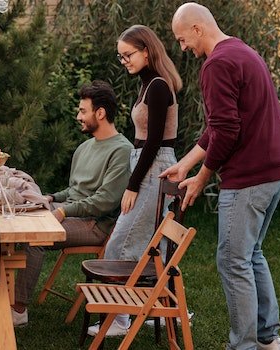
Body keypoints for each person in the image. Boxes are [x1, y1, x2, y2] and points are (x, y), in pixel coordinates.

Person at [165, 3, 280, 350]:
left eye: (182, 39)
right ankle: (267, 338)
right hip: (274, 171)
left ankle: (244, 345)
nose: (183, 48)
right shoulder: (243, 52)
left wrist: (202, 177)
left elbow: (226, 130)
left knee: (233, 261)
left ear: (197, 29)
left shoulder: (217, 64)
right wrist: (186, 164)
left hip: (249, 176)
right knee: (250, 254)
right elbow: (220, 125)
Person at [0, 80, 132, 328]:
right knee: (9, 218)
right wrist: (51, 198)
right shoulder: (85, 147)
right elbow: (75, 190)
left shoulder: (121, 150)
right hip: (72, 212)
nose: (78, 116)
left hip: (95, 224)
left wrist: (62, 211)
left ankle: (17, 310)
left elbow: (105, 201)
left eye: (83, 111)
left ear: (100, 113)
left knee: (34, 238)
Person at [87, 24, 183, 337]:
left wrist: (132, 185)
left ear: (146, 51)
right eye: (121, 56)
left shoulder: (158, 86)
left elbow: (154, 141)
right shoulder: (148, 84)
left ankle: (119, 318)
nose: (124, 61)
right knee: (144, 241)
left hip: (154, 167)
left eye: (128, 54)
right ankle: (157, 308)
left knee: (121, 241)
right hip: (147, 164)